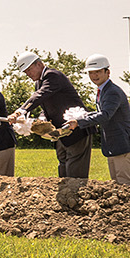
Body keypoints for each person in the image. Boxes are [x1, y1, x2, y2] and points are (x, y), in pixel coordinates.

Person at [10, 51, 91, 179]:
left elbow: (40, 95)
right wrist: (41, 119)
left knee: (75, 172)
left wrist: (21, 111)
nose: (28, 74)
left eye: (29, 70)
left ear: (39, 64)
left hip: (76, 130)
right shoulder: (39, 82)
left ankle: (75, 197)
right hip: (61, 133)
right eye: (25, 72)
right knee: (63, 168)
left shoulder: (52, 76)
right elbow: (46, 105)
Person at [64, 54, 130, 185]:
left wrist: (79, 122)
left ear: (107, 72)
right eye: (91, 73)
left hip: (123, 145)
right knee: (116, 185)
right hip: (115, 145)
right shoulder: (103, 90)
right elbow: (101, 112)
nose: (94, 76)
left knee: (125, 185)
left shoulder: (112, 92)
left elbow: (105, 115)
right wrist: (83, 116)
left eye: (98, 72)